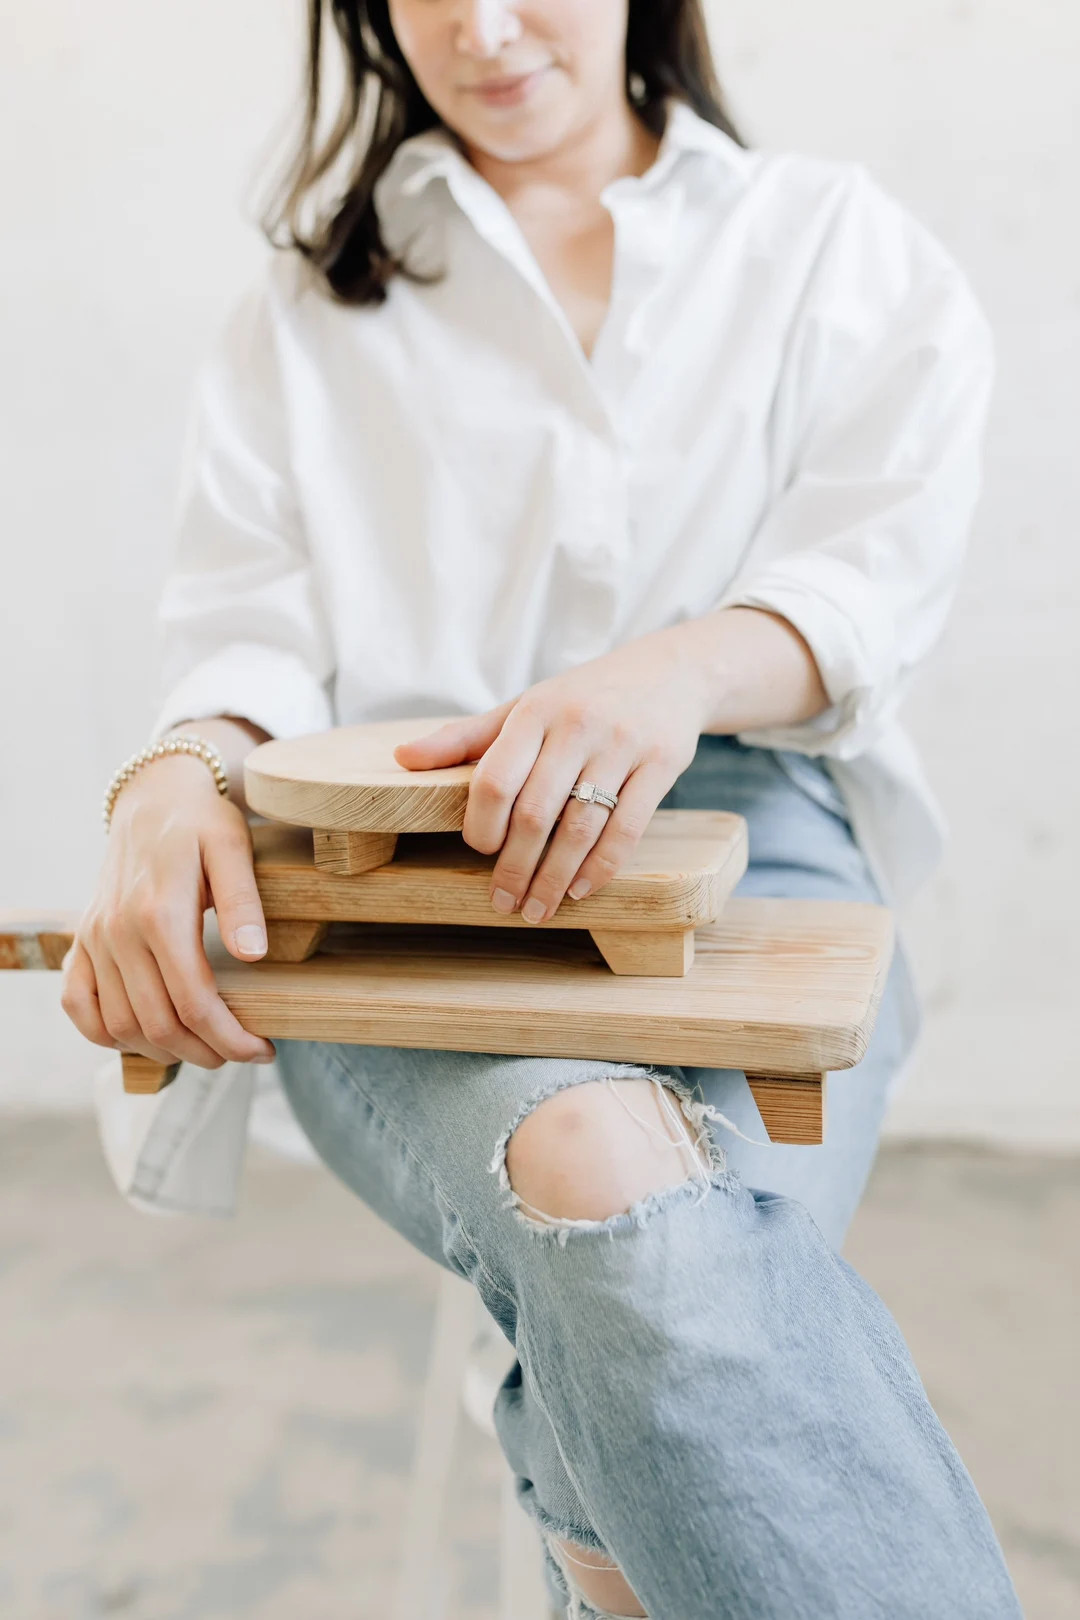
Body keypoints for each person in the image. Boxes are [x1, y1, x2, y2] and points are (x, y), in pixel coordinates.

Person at [61, 2, 1022, 1615]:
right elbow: (240, 642)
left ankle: (590, 1488)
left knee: (641, 1319)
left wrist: (675, 673)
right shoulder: (306, 311)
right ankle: (604, 1460)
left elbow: (877, 572)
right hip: (394, 886)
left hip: (748, 842)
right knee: (602, 1173)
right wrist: (175, 771)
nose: (483, 26)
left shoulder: (832, 247)